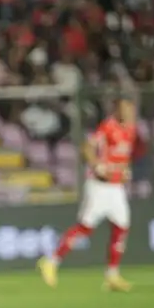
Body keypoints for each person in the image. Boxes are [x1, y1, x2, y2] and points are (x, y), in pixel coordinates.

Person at [37, 97, 138, 292]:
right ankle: (51, 262)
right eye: (125, 109)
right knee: (85, 228)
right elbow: (87, 147)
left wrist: (125, 170)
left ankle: (112, 275)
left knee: (122, 228)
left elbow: (124, 156)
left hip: (116, 188)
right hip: (100, 187)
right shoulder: (108, 127)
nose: (128, 113)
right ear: (117, 110)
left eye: (130, 110)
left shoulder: (131, 130)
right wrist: (97, 165)